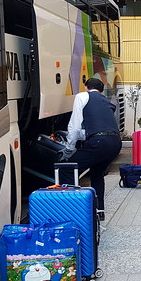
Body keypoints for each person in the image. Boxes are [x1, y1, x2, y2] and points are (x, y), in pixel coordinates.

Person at [60, 78, 122, 218]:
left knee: (68, 169)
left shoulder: (82, 96)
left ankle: (71, 212)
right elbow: (94, 129)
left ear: (86, 87)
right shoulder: (105, 101)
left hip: (99, 142)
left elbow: (74, 127)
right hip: (115, 142)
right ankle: (99, 211)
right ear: (101, 91)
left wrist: (69, 149)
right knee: (97, 173)